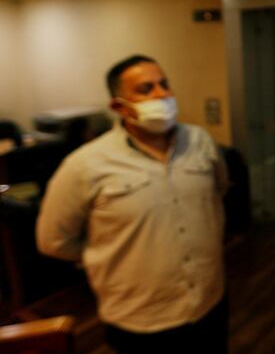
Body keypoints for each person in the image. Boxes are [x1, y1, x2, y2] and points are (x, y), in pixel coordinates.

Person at [36, 55, 228, 353]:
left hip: (209, 305)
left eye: (164, 85)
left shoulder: (200, 141)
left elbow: (218, 193)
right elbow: (53, 241)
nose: (162, 94)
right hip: (140, 321)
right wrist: (107, 254)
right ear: (118, 106)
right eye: (146, 89)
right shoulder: (84, 166)